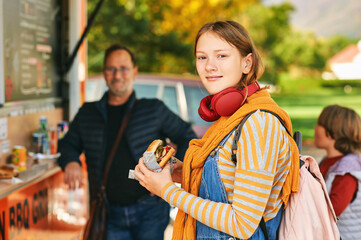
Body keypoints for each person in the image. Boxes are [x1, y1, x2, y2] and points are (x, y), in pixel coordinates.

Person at [134, 20, 300, 240]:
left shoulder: (258, 122)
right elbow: (230, 185)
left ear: (247, 63)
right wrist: (182, 173)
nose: (209, 66)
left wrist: (167, 191)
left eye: (221, 56)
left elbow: (242, 223)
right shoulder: (231, 119)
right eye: (202, 57)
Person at [58, 44, 197, 240]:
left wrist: (174, 169)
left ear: (134, 72)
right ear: (105, 73)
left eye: (123, 68)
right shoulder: (88, 113)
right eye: (111, 69)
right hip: (108, 212)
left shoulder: (153, 109)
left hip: (150, 209)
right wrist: (70, 161)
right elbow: (67, 145)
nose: (117, 75)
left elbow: (187, 136)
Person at [315, 104, 361, 240]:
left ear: (332, 134)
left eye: (319, 124)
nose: (315, 128)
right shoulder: (328, 162)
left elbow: (332, 211)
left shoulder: (347, 171)